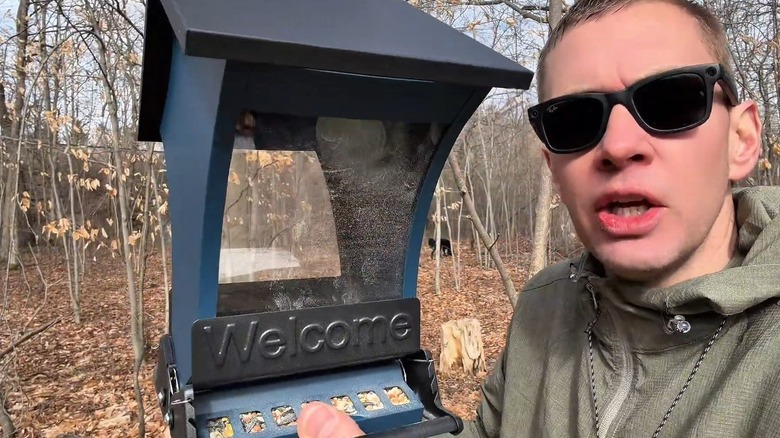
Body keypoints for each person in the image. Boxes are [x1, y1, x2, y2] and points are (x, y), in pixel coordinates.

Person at [296, 0, 780, 436]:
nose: (617, 146)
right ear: (554, 169)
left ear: (742, 140)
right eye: (574, 121)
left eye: (670, 102)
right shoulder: (545, 305)